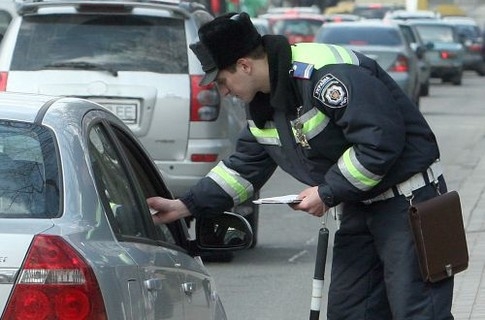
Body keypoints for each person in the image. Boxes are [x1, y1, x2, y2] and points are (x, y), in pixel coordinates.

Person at [147, 12, 454, 319]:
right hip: (361, 207)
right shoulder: (264, 103)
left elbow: (379, 142)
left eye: (223, 81)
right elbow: (242, 168)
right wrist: (185, 206)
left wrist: (327, 191)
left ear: (244, 65)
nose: (223, 91)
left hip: (409, 205)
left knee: (419, 313)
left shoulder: (326, 75)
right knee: (350, 312)